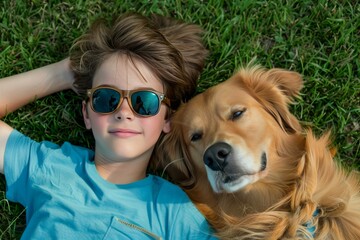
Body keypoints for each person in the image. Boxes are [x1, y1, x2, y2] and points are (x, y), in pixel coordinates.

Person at [0, 12, 217, 239]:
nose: (124, 112)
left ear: (167, 119)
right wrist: (63, 73)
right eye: (106, 98)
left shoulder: (174, 211)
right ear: (87, 113)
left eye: (144, 101)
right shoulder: (54, 167)